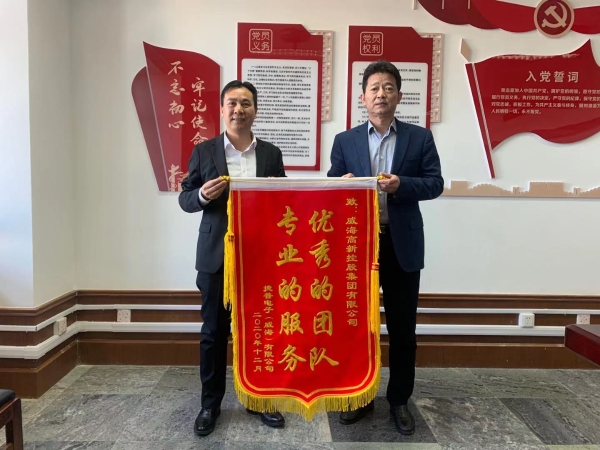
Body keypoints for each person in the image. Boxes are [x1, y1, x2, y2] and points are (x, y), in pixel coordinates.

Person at [327, 60, 443, 435]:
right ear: (363, 97)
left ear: (399, 96)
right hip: (357, 246)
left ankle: (399, 401)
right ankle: (359, 396)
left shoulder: (419, 138)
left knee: (403, 328)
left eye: (388, 87)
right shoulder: (345, 141)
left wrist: (401, 185)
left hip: (401, 243)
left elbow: (435, 184)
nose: (381, 94)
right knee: (358, 326)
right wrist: (342, 184)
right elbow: (330, 187)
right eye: (374, 88)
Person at [179, 80, 286, 436]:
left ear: (255, 110)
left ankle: (258, 398)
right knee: (213, 333)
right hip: (215, 257)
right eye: (232, 103)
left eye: (246, 103)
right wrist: (202, 196)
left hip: (259, 257)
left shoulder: (270, 154)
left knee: (258, 331)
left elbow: (284, 199)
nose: (239, 109)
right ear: (222, 109)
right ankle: (210, 404)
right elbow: (185, 198)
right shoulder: (204, 151)